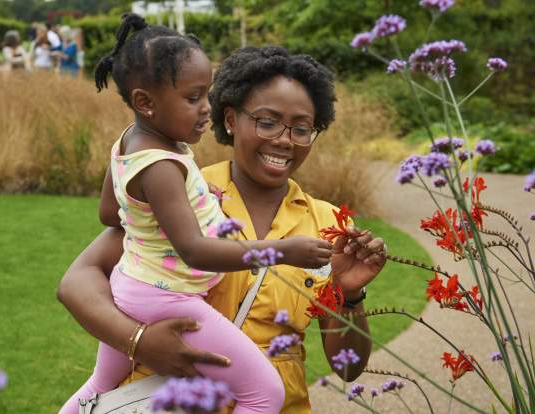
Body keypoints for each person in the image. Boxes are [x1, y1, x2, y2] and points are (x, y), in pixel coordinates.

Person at [58, 44, 387, 413]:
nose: (284, 139)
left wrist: (349, 296)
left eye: (301, 128)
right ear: (230, 119)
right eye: (267, 121)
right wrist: (139, 341)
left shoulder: (327, 225)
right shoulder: (185, 191)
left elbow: (347, 367)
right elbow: (77, 281)